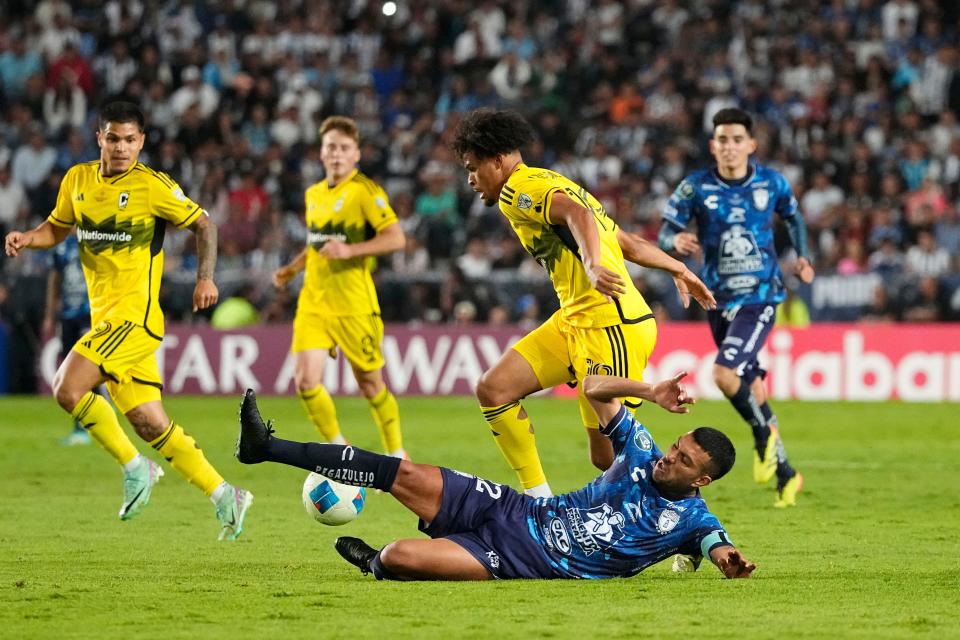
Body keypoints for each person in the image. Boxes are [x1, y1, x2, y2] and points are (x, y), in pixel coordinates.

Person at [235, 372, 756, 581]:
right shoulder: (641, 450)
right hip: (509, 509)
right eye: (676, 447)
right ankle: (266, 447)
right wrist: (648, 392)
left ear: (702, 481)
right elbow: (595, 388)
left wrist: (725, 558)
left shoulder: (693, 517)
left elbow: (716, 541)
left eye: (684, 462)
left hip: (512, 559)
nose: (669, 458)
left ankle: (373, 562)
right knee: (400, 471)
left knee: (396, 558)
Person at [4, 101, 252, 540]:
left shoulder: (153, 187)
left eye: (130, 140)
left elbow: (205, 225)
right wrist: (28, 238)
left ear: (142, 141)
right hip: (105, 322)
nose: (122, 148)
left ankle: (137, 467)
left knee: (66, 387)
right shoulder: (77, 179)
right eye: (114, 138)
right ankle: (225, 494)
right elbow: (57, 228)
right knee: (148, 422)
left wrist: (205, 279)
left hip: (134, 321)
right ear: (99, 137)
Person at [450, 109, 716, 498]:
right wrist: (678, 267)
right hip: (576, 318)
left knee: (614, 458)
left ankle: (694, 523)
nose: (471, 180)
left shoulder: (519, 190)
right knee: (494, 389)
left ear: (498, 160)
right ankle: (537, 503)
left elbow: (579, 217)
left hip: (611, 324)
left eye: (474, 168)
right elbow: (622, 241)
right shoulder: (553, 181)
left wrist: (592, 264)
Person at [658, 107, 814, 508]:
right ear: (713, 145)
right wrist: (674, 244)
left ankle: (763, 440)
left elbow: (794, 220)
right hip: (716, 300)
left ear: (751, 144)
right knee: (755, 389)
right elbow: (664, 233)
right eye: (722, 140)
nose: (729, 146)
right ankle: (786, 473)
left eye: (737, 139)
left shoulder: (772, 183)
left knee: (724, 374)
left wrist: (802, 256)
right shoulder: (696, 188)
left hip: (760, 297)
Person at [272, 116, 407, 457]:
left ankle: (396, 454)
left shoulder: (365, 192)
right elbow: (316, 242)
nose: (336, 154)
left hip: (354, 305)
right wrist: (291, 269)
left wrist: (351, 250)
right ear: (321, 152)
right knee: (305, 382)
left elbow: (396, 239)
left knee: (371, 386)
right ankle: (339, 448)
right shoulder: (313, 193)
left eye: (344, 148)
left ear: (356, 155)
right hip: (314, 303)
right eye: (331, 147)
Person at [42, 232, 92, 445]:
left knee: (89, 371)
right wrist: (50, 315)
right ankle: (80, 427)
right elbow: (54, 281)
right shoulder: (62, 247)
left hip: (90, 314)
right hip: (69, 316)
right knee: (72, 373)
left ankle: (88, 425)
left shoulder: (94, 240)